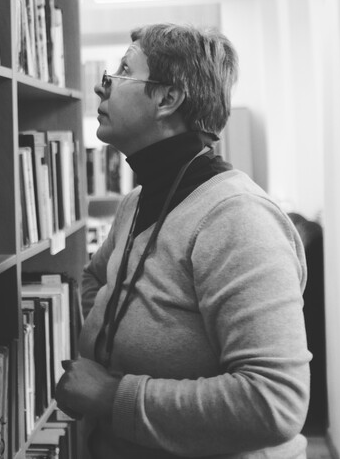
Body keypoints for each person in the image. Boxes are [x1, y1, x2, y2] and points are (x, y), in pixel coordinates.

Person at [55, 23, 311, 459]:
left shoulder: (236, 217)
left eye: (123, 71)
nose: (102, 87)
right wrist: (116, 339)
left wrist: (112, 396)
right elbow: (95, 278)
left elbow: (275, 402)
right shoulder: (137, 202)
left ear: (167, 99)